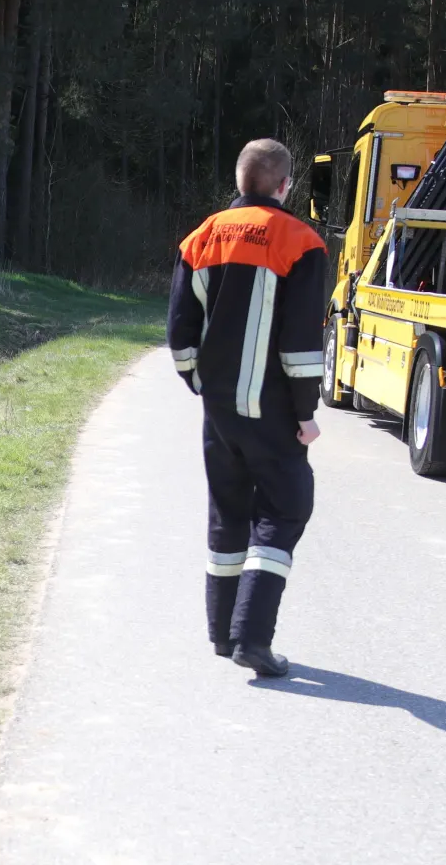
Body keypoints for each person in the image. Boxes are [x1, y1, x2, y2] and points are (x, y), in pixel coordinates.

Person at [166, 138, 328, 678]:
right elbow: (302, 345)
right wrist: (306, 414)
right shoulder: (301, 243)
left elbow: (179, 334)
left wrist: (202, 386)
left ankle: (220, 632)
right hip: (275, 411)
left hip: (220, 411)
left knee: (228, 512)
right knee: (284, 511)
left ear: (240, 181)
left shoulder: (201, 238)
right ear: (285, 185)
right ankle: (252, 639)